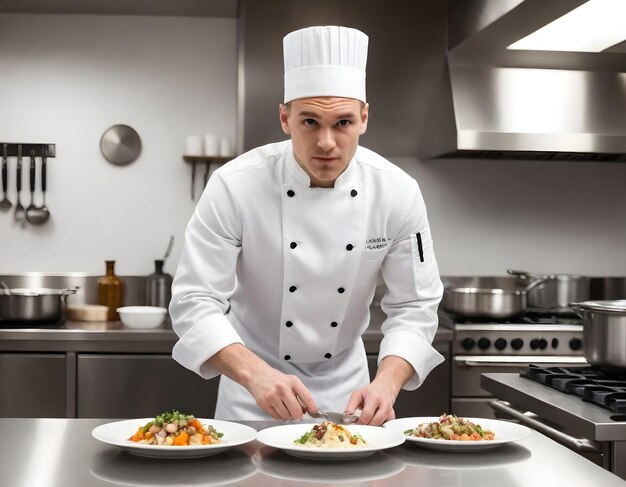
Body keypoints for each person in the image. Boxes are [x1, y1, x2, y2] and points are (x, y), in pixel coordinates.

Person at [170, 25, 444, 426]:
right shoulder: (235, 185)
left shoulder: (398, 193)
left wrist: (387, 384)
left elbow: (415, 305)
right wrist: (255, 374)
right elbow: (194, 301)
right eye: (310, 122)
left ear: (364, 118)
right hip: (253, 393)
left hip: (351, 398)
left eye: (343, 123)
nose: (327, 142)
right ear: (285, 118)